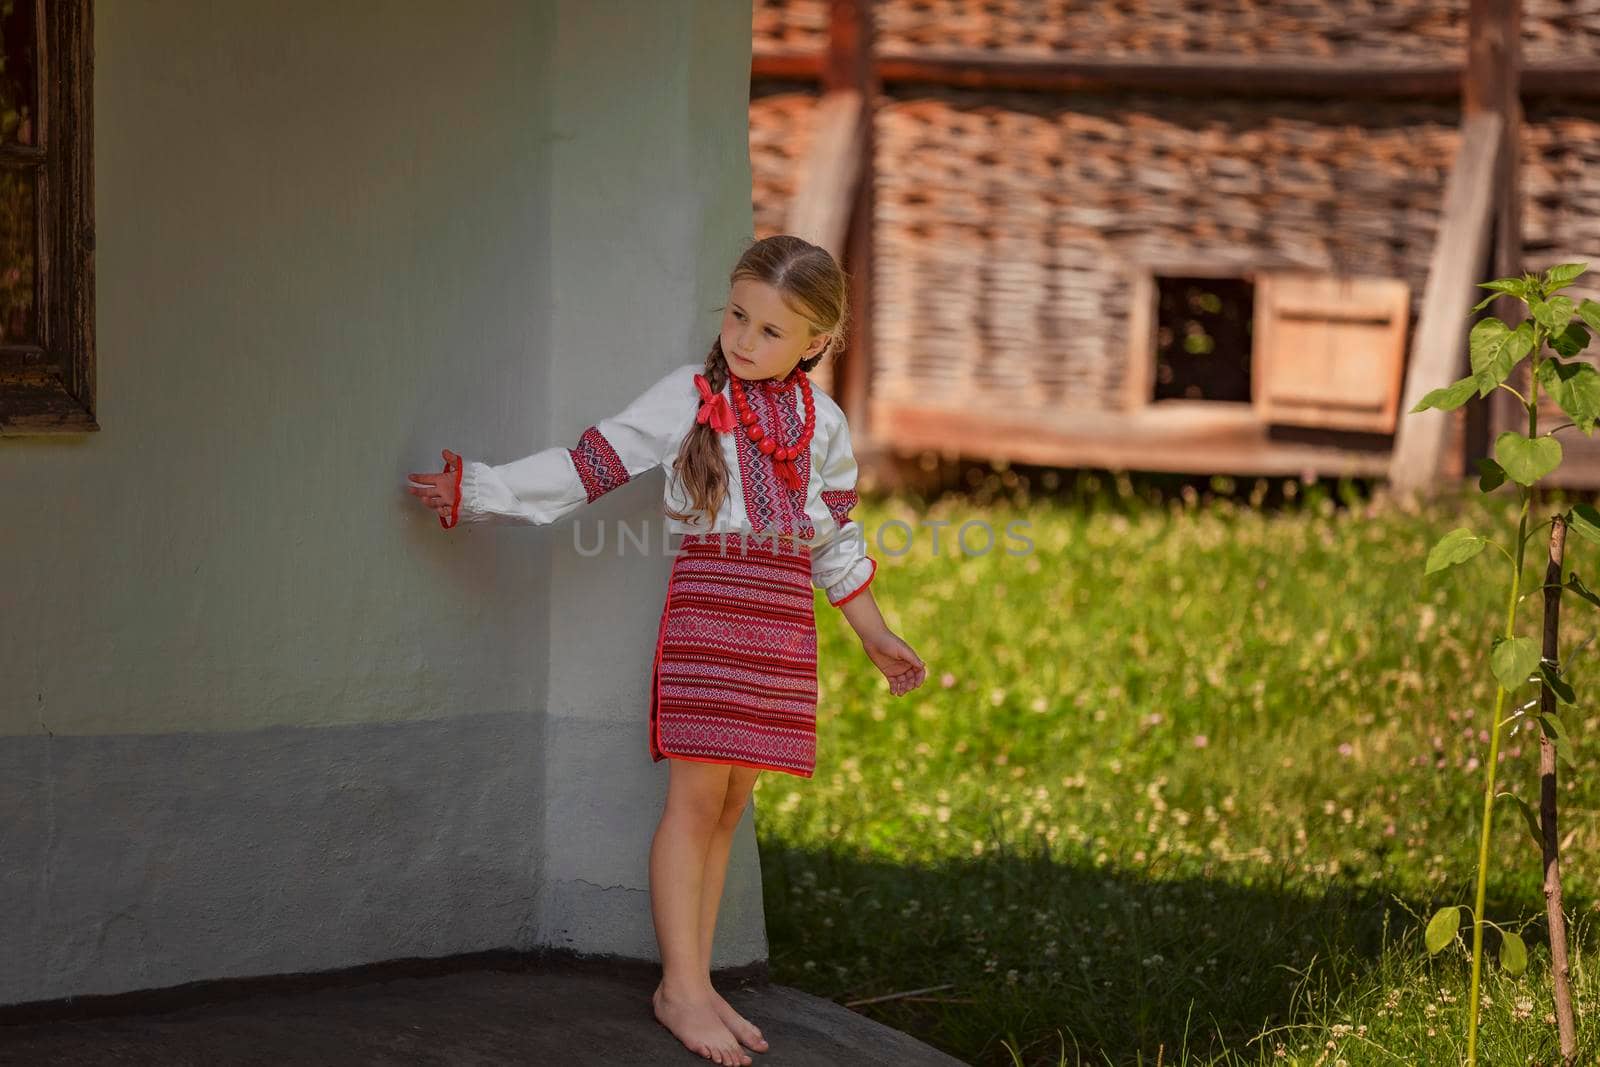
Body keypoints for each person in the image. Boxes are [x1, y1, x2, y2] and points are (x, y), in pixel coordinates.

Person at [405, 235, 927, 1065]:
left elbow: (832, 537)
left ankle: (698, 973)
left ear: (817, 343)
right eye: (738, 316)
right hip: (711, 609)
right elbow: (590, 465)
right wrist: (482, 490)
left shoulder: (823, 423)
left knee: (729, 804)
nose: (744, 341)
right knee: (693, 800)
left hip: (781, 619)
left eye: (770, 331)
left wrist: (875, 633)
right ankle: (679, 985)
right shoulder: (687, 398)